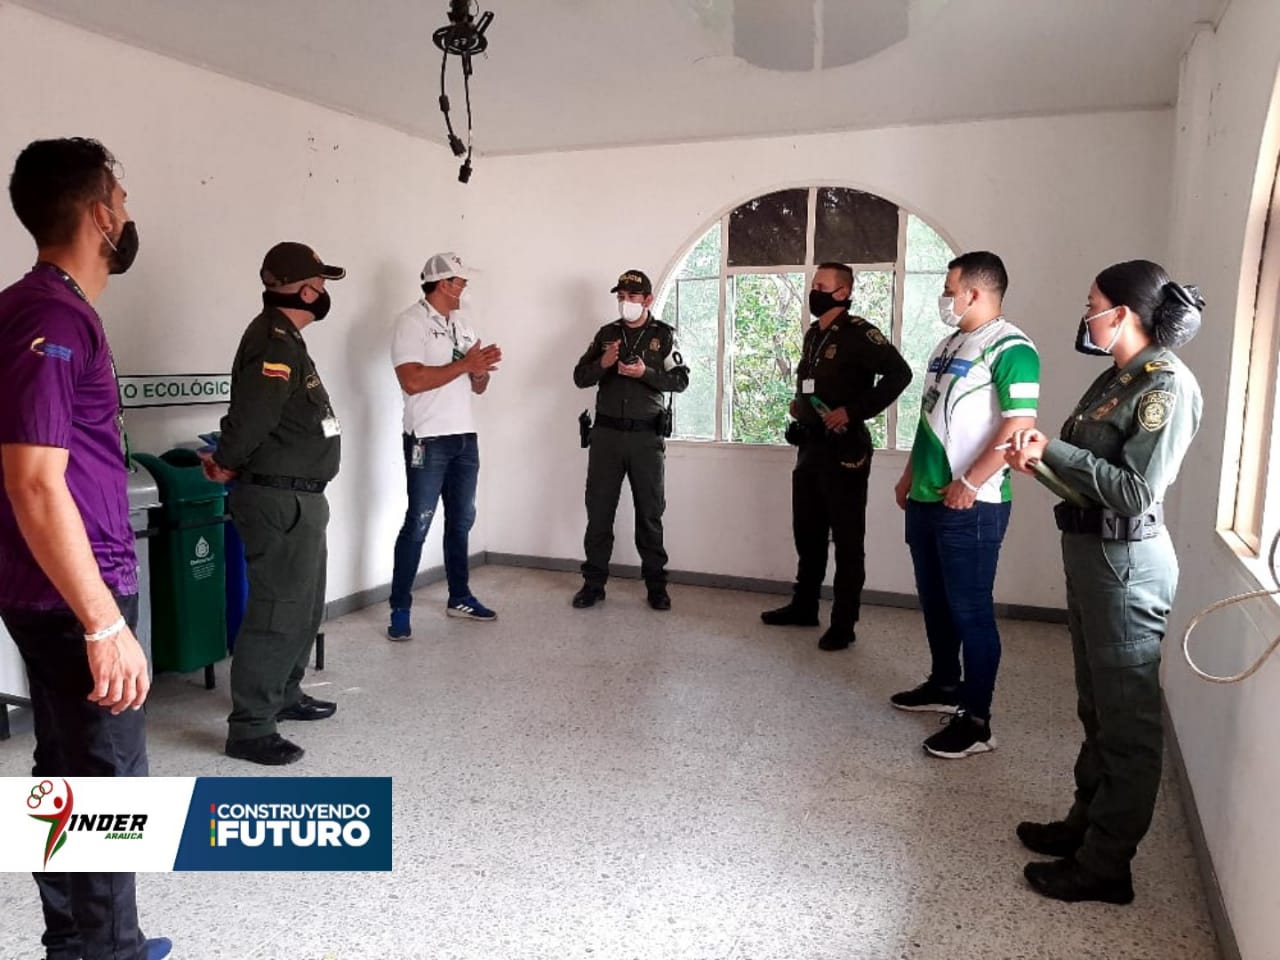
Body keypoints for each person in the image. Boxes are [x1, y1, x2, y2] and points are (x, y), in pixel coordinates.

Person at [0, 138, 171, 960]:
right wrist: (103, 624)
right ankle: (109, 952)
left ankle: (75, 942)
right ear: (101, 216)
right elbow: (34, 481)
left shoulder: (33, 307)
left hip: (49, 586)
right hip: (73, 591)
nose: (128, 215)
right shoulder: (53, 318)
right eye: (123, 200)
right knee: (107, 786)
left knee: (65, 767)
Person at [1004, 261, 1204, 905]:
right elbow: (1093, 475)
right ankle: (1084, 825)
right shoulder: (1119, 376)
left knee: (1127, 724)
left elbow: (1137, 491)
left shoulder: (1164, 384)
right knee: (1097, 708)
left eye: (1093, 303)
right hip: (1093, 554)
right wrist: (1041, 464)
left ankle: (1106, 866)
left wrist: (1054, 451)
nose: (1086, 314)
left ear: (1122, 313)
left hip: (1127, 568)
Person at [892, 251, 1040, 759]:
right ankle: (944, 683)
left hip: (973, 505)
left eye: (949, 289)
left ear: (975, 292)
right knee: (935, 601)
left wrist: (972, 482)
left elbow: (1019, 425)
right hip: (927, 496)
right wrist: (909, 475)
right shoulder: (949, 344)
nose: (945, 297)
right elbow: (929, 416)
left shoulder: (1012, 348)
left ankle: (976, 721)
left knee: (971, 610)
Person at [203, 242, 344, 766]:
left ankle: (285, 692)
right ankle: (251, 727)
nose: (324, 293)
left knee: (304, 606)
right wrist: (227, 461)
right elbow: (255, 415)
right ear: (305, 290)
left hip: (301, 496)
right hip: (279, 497)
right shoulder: (273, 341)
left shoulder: (288, 339)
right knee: (277, 611)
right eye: (320, 284)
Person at [761, 263, 912, 650]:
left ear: (843, 292)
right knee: (807, 531)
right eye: (813, 284)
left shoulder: (860, 333)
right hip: (811, 446)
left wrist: (854, 411)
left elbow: (900, 374)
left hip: (845, 447)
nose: (813, 290)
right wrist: (800, 406)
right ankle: (804, 606)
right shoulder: (814, 334)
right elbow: (814, 385)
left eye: (821, 285)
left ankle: (844, 623)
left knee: (846, 538)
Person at [387, 253, 502, 641]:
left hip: (464, 437)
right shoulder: (410, 322)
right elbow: (412, 381)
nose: (464, 287)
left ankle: (460, 597)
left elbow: (478, 386)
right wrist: (465, 365)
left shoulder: (464, 324)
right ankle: (400, 608)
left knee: (461, 520)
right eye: (459, 281)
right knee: (418, 522)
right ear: (442, 283)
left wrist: (479, 372)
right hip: (427, 438)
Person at [572, 269, 689, 610]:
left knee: (650, 513)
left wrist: (644, 373)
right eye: (621, 297)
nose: (625, 302)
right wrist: (604, 362)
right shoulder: (607, 334)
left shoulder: (663, 336)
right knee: (599, 512)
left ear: (647, 300)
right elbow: (580, 377)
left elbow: (681, 380)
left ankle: (656, 586)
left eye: (632, 297)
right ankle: (593, 585)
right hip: (606, 437)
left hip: (645, 438)